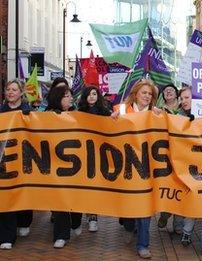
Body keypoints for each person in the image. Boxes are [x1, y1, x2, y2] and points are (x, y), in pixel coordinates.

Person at [112, 79, 162, 259]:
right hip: (125, 166)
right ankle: (128, 225)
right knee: (129, 206)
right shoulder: (121, 110)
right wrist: (112, 120)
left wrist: (161, 116)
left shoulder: (155, 113)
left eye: (150, 94)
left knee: (144, 208)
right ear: (135, 94)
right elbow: (109, 132)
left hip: (146, 168)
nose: (147, 96)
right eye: (144, 93)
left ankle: (143, 244)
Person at [176, 87, 202, 257]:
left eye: (188, 97)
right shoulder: (178, 117)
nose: (184, 100)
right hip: (189, 171)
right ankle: (187, 231)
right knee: (192, 206)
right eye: (182, 97)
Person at [0, 79, 33, 250]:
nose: (10, 92)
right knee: (3, 196)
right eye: (8, 89)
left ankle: (24, 220)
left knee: (22, 193)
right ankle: (5, 236)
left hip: (23, 159)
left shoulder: (28, 112)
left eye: (14, 89)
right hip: (2, 160)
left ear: (21, 93)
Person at [46, 84, 83, 248]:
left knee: (75, 200)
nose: (70, 98)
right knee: (59, 199)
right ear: (58, 98)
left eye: (70, 95)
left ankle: (76, 221)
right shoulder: (46, 116)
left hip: (75, 165)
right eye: (66, 96)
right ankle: (61, 235)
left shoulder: (77, 115)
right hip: (54, 164)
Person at [78, 86, 111, 232]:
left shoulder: (105, 113)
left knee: (94, 186)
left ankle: (93, 216)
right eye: (89, 94)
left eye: (94, 94)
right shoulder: (78, 113)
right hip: (82, 154)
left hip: (98, 154)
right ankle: (83, 214)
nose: (91, 97)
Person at [157, 84, 184, 233]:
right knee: (169, 185)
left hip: (182, 152)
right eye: (166, 91)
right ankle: (165, 214)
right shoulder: (158, 110)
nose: (168, 92)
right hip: (165, 152)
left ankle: (178, 224)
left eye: (171, 90)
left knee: (181, 185)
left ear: (176, 94)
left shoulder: (185, 109)